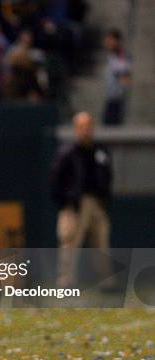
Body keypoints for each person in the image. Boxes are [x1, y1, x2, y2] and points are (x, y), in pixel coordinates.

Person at [50, 112, 112, 288]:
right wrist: (66, 201)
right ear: (76, 129)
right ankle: (66, 281)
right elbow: (55, 179)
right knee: (69, 243)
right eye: (82, 126)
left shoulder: (100, 151)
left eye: (89, 126)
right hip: (74, 205)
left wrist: (104, 199)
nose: (86, 130)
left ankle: (105, 280)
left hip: (96, 202)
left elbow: (107, 175)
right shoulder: (67, 153)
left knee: (101, 242)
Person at [102, 29, 131, 125]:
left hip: (116, 100)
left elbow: (124, 77)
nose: (107, 42)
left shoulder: (120, 57)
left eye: (110, 39)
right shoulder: (111, 56)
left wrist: (120, 91)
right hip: (111, 98)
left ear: (117, 41)